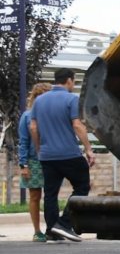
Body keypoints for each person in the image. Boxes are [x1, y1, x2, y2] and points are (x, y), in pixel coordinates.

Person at [29, 68, 95, 242]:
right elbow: (77, 125)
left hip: (47, 155)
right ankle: (64, 223)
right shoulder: (71, 99)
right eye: (73, 82)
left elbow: (33, 128)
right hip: (69, 153)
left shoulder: (39, 101)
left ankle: (52, 230)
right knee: (82, 186)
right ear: (69, 80)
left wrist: (39, 148)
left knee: (50, 193)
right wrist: (88, 149)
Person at [18, 82, 53, 242]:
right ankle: (37, 231)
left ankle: (52, 229)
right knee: (35, 196)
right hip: (33, 161)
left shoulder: (52, 115)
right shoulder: (27, 116)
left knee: (51, 195)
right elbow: (23, 141)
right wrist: (23, 165)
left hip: (51, 158)